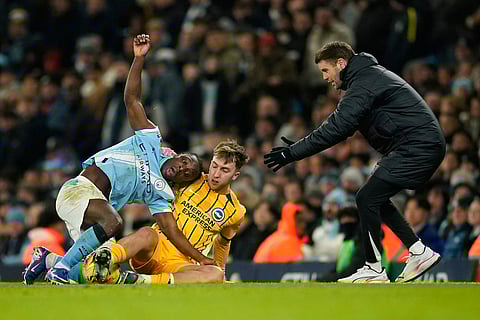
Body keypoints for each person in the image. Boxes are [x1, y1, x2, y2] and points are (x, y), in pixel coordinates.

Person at [23, 34, 215, 285]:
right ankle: (61, 268)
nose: (182, 169)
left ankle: (46, 260)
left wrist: (202, 258)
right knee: (114, 221)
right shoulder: (150, 140)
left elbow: (172, 231)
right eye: (185, 162)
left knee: (103, 273)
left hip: (95, 212)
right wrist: (138, 59)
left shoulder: (161, 194)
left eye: (187, 173)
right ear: (176, 155)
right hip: (79, 191)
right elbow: (131, 100)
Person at [264, 41, 446, 283]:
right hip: (416, 145)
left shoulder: (364, 84)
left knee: (366, 197)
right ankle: (419, 251)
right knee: (374, 198)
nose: (325, 77)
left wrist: (292, 153)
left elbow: (336, 129)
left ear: (341, 64)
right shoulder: (367, 78)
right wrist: (296, 148)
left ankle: (374, 267)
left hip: (417, 146)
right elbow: (338, 125)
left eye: (325, 70)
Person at [61, 139, 248, 284]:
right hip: (152, 247)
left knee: (214, 274)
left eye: (225, 170)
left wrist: (221, 273)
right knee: (147, 233)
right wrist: (164, 153)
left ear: (235, 175)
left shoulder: (235, 211)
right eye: (215, 165)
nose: (216, 174)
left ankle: (139, 281)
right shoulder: (191, 178)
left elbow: (223, 244)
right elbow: (168, 166)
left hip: (180, 263)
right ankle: (105, 258)